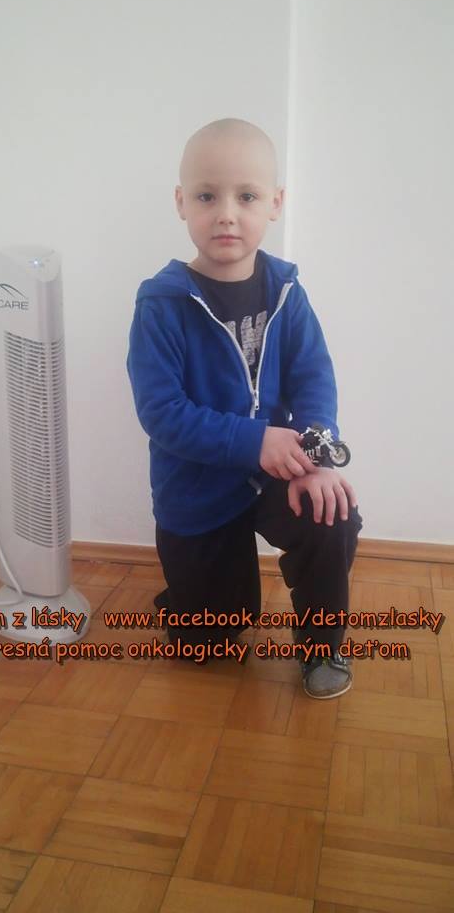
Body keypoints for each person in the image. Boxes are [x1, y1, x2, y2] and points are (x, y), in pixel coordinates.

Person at [126, 118, 363, 699]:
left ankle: (322, 645)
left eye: (247, 196)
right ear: (181, 203)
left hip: (277, 468)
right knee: (209, 647)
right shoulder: (160, 305)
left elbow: (314, 379)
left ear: (275, 203)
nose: (227, 214)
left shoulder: (287, 291)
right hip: (198, 487)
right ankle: (191, 603)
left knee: (333, 512)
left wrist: (318, 457)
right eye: (207, 196)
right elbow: (162, 412)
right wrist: (253, 440)